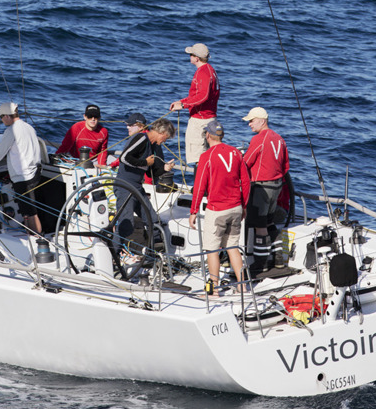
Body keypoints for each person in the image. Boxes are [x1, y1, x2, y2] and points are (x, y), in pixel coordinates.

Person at [189, 120, 251, 291]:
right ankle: (242, 287)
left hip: (217, 210)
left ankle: (213, 290)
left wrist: (193, 211)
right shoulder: (236, 153)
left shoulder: (206, 156)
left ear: (207, 135)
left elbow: (199, 186)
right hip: (236, 207)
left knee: (212, 250)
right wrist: (244, 206)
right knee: (232, 248)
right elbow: (246, 182)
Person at [113, 117, 174, 254]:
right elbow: (124, 157)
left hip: (137, 188)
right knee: (126, 224)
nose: (165, 141)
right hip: (125, 186)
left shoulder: (153, 146)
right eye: (166, 137)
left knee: (153, 220)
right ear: (162, 133)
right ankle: (113, 255)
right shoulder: (141, 138)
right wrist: (145, 162)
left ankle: (153, 254)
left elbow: (152, 172)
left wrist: (165, 168)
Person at [0, 103, 43, 234]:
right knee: (28, 211)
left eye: (1, 117)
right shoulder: (29, 127)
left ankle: (37, 239)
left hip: (23, 178)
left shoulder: (11, 131)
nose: (1, 120)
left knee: (30, 212)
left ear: (7, 116)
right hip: (35, 173)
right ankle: (31, 235)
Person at [241, 106, 290, 273]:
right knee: (269, 221)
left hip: (261, 187)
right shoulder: (279, 139)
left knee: (259, 225)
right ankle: (279, 259)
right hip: (276, 186)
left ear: (262, 121)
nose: (249, 124)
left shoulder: (259, 139)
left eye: (251, 121)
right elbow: (285, 166)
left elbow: (246, 162)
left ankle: (260, 264)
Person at [169, 43, 220, 164]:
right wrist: (181, 101)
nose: (189, 56)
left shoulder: (202, 72)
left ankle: (200, 177)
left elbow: (203, 96)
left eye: (191, 54)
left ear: (197, 58)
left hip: (200, 119)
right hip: (210, 117)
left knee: (198, 157)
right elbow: (198, 95)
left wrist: (183, 106)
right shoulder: (210, 70)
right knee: (207, 155)